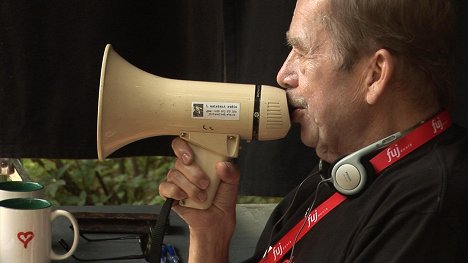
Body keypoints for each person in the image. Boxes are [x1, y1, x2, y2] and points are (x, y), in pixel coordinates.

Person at [159, 0, 468, 262]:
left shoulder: (428, 209)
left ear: (374, 75)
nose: (283, 75)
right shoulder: (337, 173)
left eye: (302, 51)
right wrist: (210, 235)